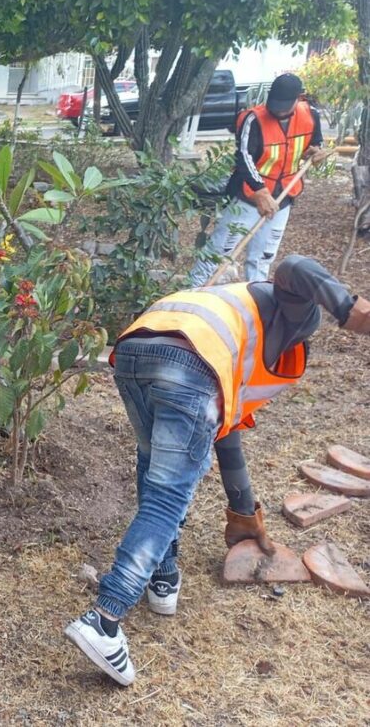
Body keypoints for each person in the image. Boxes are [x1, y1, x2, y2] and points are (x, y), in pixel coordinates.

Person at [64, 255, 370, 687]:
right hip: (188, 363)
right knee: (168, 496)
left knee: (155, 469)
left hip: (136, 351)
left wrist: (244, 514)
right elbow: (296, 266)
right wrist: (348, 306)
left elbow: (225, 437)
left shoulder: (234, 318)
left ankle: (163, 576)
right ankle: (105, 619)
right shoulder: (280, 319)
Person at [188, 74, 326, 286]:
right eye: (275, 104)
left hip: (284, 196)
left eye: (284, 106)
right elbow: (244, 157)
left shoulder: (311, 115)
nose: (278, 110)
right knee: (219, 252)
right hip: (248, 197)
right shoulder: (252, 119)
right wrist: (260, 192)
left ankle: (257, 297)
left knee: (263, 257)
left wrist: (315, 153)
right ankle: (192, 294)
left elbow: (315, 143)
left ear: (298, 98)